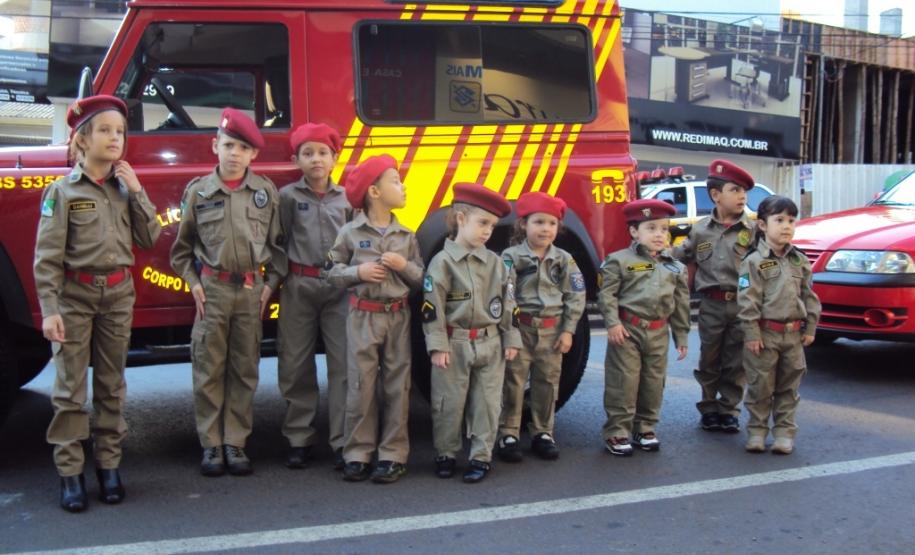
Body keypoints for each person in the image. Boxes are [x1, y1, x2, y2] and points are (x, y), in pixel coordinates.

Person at [34, 94, 160, 512]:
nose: (115, 138)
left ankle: (109, 467)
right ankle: (70, 473)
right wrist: (50, 310)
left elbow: (149, 238)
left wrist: (139, 192)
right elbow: (47, 258)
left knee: (111, 386)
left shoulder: (125, 189)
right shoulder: (62, 191)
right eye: (104, 130)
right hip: (75, 298)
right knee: (70, 390)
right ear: (82, 140)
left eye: (120, 132)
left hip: (118, 295)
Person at [170, 108, 285, 477]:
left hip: (251, 293)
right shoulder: (199, 192)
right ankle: (211, 445)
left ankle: (235, 443)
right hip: (214, 292)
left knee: (244, 368)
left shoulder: (265, 193)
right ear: (215, 146)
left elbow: (279, 248)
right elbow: (181, 251)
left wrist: (269, 286)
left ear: (253, 155)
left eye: (243, 148)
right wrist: (194, 283)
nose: (235, 153)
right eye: (229, 144)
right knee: (209, 369)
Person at [326, 154, 423, 484]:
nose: (402, 185)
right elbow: (331, 271)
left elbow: (421, 279)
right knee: (360, 384)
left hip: (397, 315)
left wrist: (403, 266)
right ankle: (357, 453)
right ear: (374, 192)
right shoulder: (350, 233)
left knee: (398, 385)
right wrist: (358, 272)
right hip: (362, 316)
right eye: (395, 180)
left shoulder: (406, 236)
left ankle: (393, 455)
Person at [422, 182, 521, 483]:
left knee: (488, 403)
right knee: (448, 402)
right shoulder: (442, 263)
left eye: (492, 225)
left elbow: (509, 303)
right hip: (455, 343)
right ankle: (446, 452)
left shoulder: (497, 263)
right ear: (461, 219)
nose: (488, 231)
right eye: (482, 223)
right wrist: (438, 345)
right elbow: (432, 308)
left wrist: (511, 338)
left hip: (490, 342)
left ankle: (481, 456)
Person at [276, 123, 351, 470]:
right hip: (299, 285)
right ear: (297, 159)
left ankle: (343, 439)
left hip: (338, 287)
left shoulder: (347, 198)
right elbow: (279, 239)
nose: (316, 159)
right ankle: (298, 437)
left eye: (323, 152)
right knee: (295, 364)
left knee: (344, 365)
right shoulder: (288, 197)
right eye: (308, 153)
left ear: (335, 159)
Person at [496, 192, 585, 463]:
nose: (545, 229)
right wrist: (510, 334)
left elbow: (575, 295)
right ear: (524, 224)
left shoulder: (564, 260)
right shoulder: (511, 257)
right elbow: (505, 295)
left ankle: (543, 432)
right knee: (513, 381)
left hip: (552, 331)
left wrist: (568, 330)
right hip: (521, 330)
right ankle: (508, 433)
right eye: (538, 222)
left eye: (551, 223)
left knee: (547, 383)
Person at [598, 199, 689, 456]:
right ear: (634, 232)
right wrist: (613, 323)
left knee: (653, 382)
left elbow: (681, 304)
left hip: (659, 332)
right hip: (628, 330)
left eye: (663, 228)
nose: (659, 234)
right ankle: (617, 431)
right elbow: (607, 295)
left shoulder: (674, 266)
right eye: (651, 228)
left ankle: (645, 427)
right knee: (623, 382)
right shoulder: (618, 261)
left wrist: (681, 336)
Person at [674, 160, 756, 434]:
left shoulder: (753, 231)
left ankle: (730, 409)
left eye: (744, 191)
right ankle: (709, 408)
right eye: (735, 190)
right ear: (715, 195)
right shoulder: (700, 230)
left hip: (743, 305)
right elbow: (684, 257)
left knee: (736, 361)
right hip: (712, 304)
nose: (742, 196)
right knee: (709, 358)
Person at [737, 195, 820, 455]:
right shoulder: (753, 261)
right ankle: (757, 431)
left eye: (791, 220)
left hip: (793, 335)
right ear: (762, 225)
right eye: (779, 220)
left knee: (789, 386)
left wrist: (810, 327)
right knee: (761, 386)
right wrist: (751, 332)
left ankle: (784, 432)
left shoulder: (800, 260)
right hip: (765, 335)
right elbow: (747, 299)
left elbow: (809, 296)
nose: (786, 226)